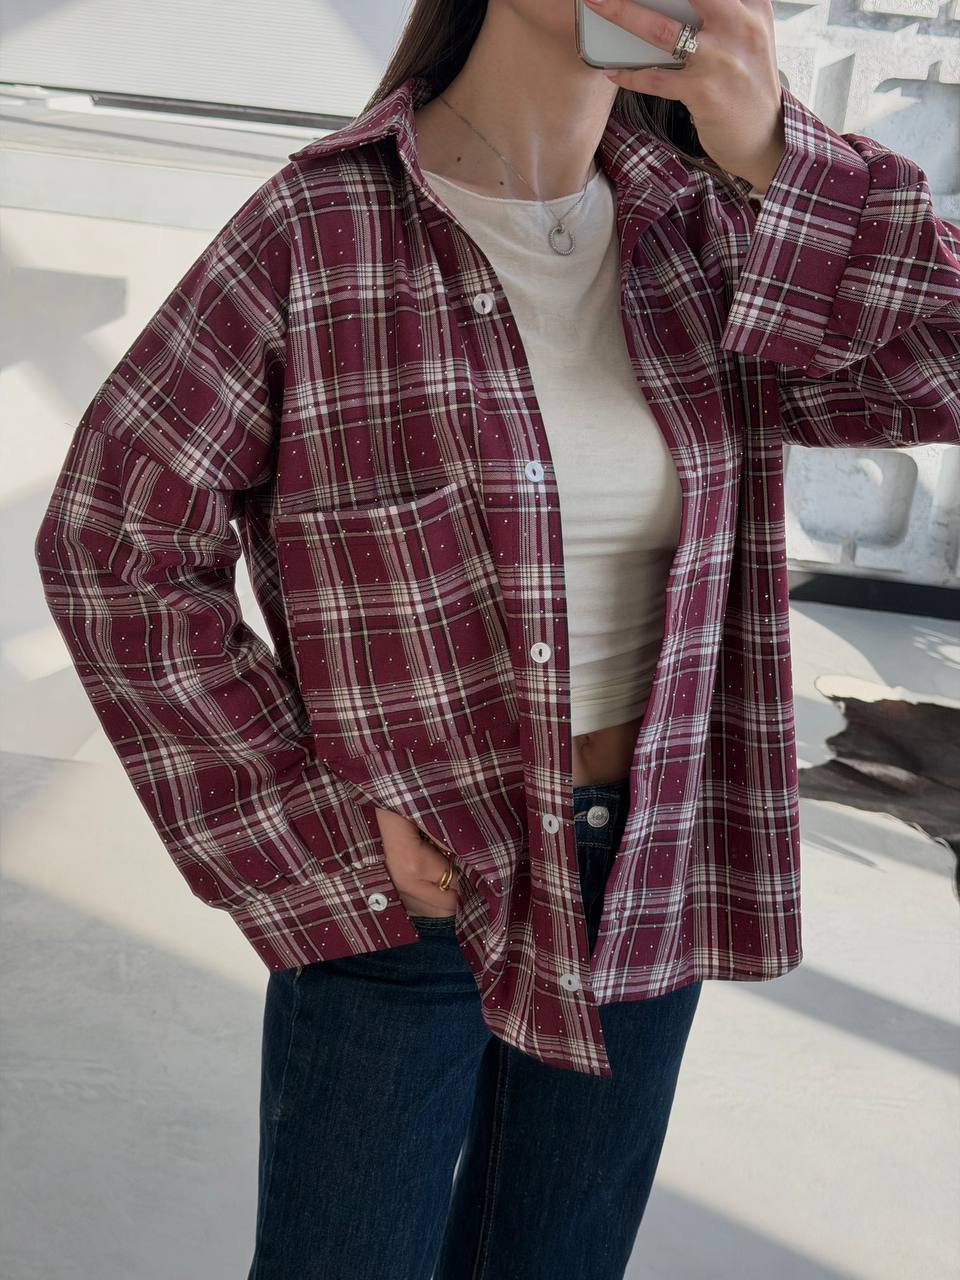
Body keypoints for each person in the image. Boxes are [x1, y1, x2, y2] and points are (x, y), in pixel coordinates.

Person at [34, 0, 960, 1277]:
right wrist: (315, 816)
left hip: (650, 862)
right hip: (421, 877)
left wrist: (778, 155)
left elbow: (939, 366)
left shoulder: (705, 231)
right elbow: (114, 539)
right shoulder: (319, 232)